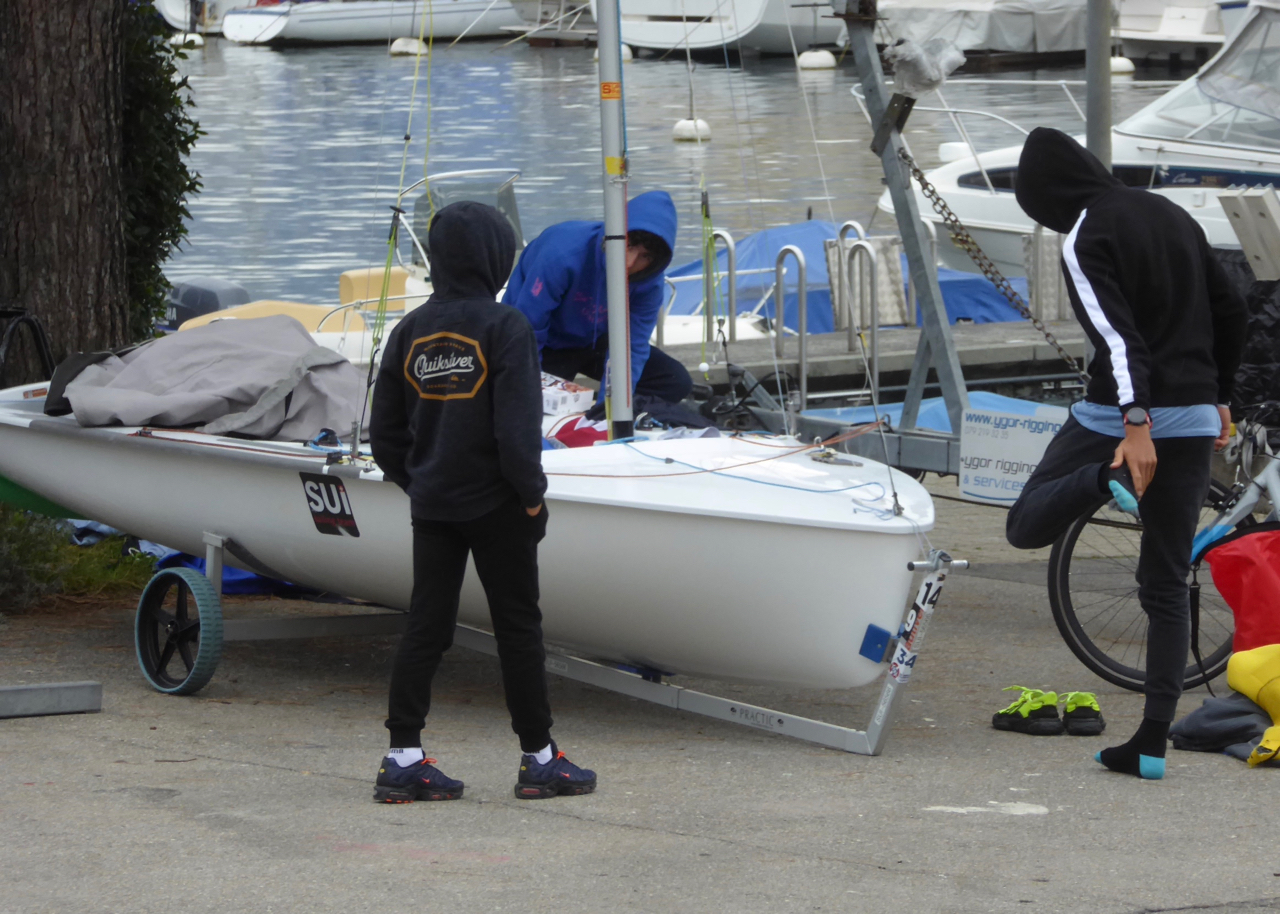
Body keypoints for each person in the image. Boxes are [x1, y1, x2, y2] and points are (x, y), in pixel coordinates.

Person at [1005, 127, 1248, 780]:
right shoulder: (1170, 213)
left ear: (1046, 196)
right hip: (1194, 418)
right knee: (1166, 582)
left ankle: (1097, 479)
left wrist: (1134, 423)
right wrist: (1220, 397)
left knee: (1025, 524)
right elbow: (1231, 307)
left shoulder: (1084, 234)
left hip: (1122, 418)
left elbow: (1116, 339)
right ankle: (1150, 743)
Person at [369, 200, 595, 803]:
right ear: (497, 258)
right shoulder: (505, 326)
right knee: (518, 629)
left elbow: (384, 434)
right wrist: (531, 498)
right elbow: (516, 432)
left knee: (426, 625)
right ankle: (539, 758)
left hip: (432, 506)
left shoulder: (409, 330)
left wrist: (417, 481)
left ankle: (402, 756)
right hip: (498, 505)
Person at [502, 189, 691, 409]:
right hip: (543, 339)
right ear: (613, 235)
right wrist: (533, 391)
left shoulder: (650, 283)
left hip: (593, 340)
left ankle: (615, 415)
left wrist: (610, 408)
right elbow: (528, 328)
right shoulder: (561, 254)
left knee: (675, 381)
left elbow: (632, 347)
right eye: (628, 245)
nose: (630, 263)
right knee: (531, 402)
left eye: (645, 256)